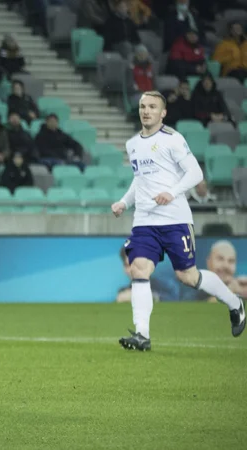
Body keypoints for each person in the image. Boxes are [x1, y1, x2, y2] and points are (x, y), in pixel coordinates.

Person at [111, 91, 245, 351]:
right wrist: (124, 202)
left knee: (187, 276)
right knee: (139, 268)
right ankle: (142, 335)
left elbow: (195, 172)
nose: (146, 110)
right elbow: (140, 181)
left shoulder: (173, 140)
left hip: (175, 219)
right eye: (142, 106)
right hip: (145, 221)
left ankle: (234, 302)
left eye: (152, 106)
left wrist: (171, 193)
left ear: (163, 113)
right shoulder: (133, 144)